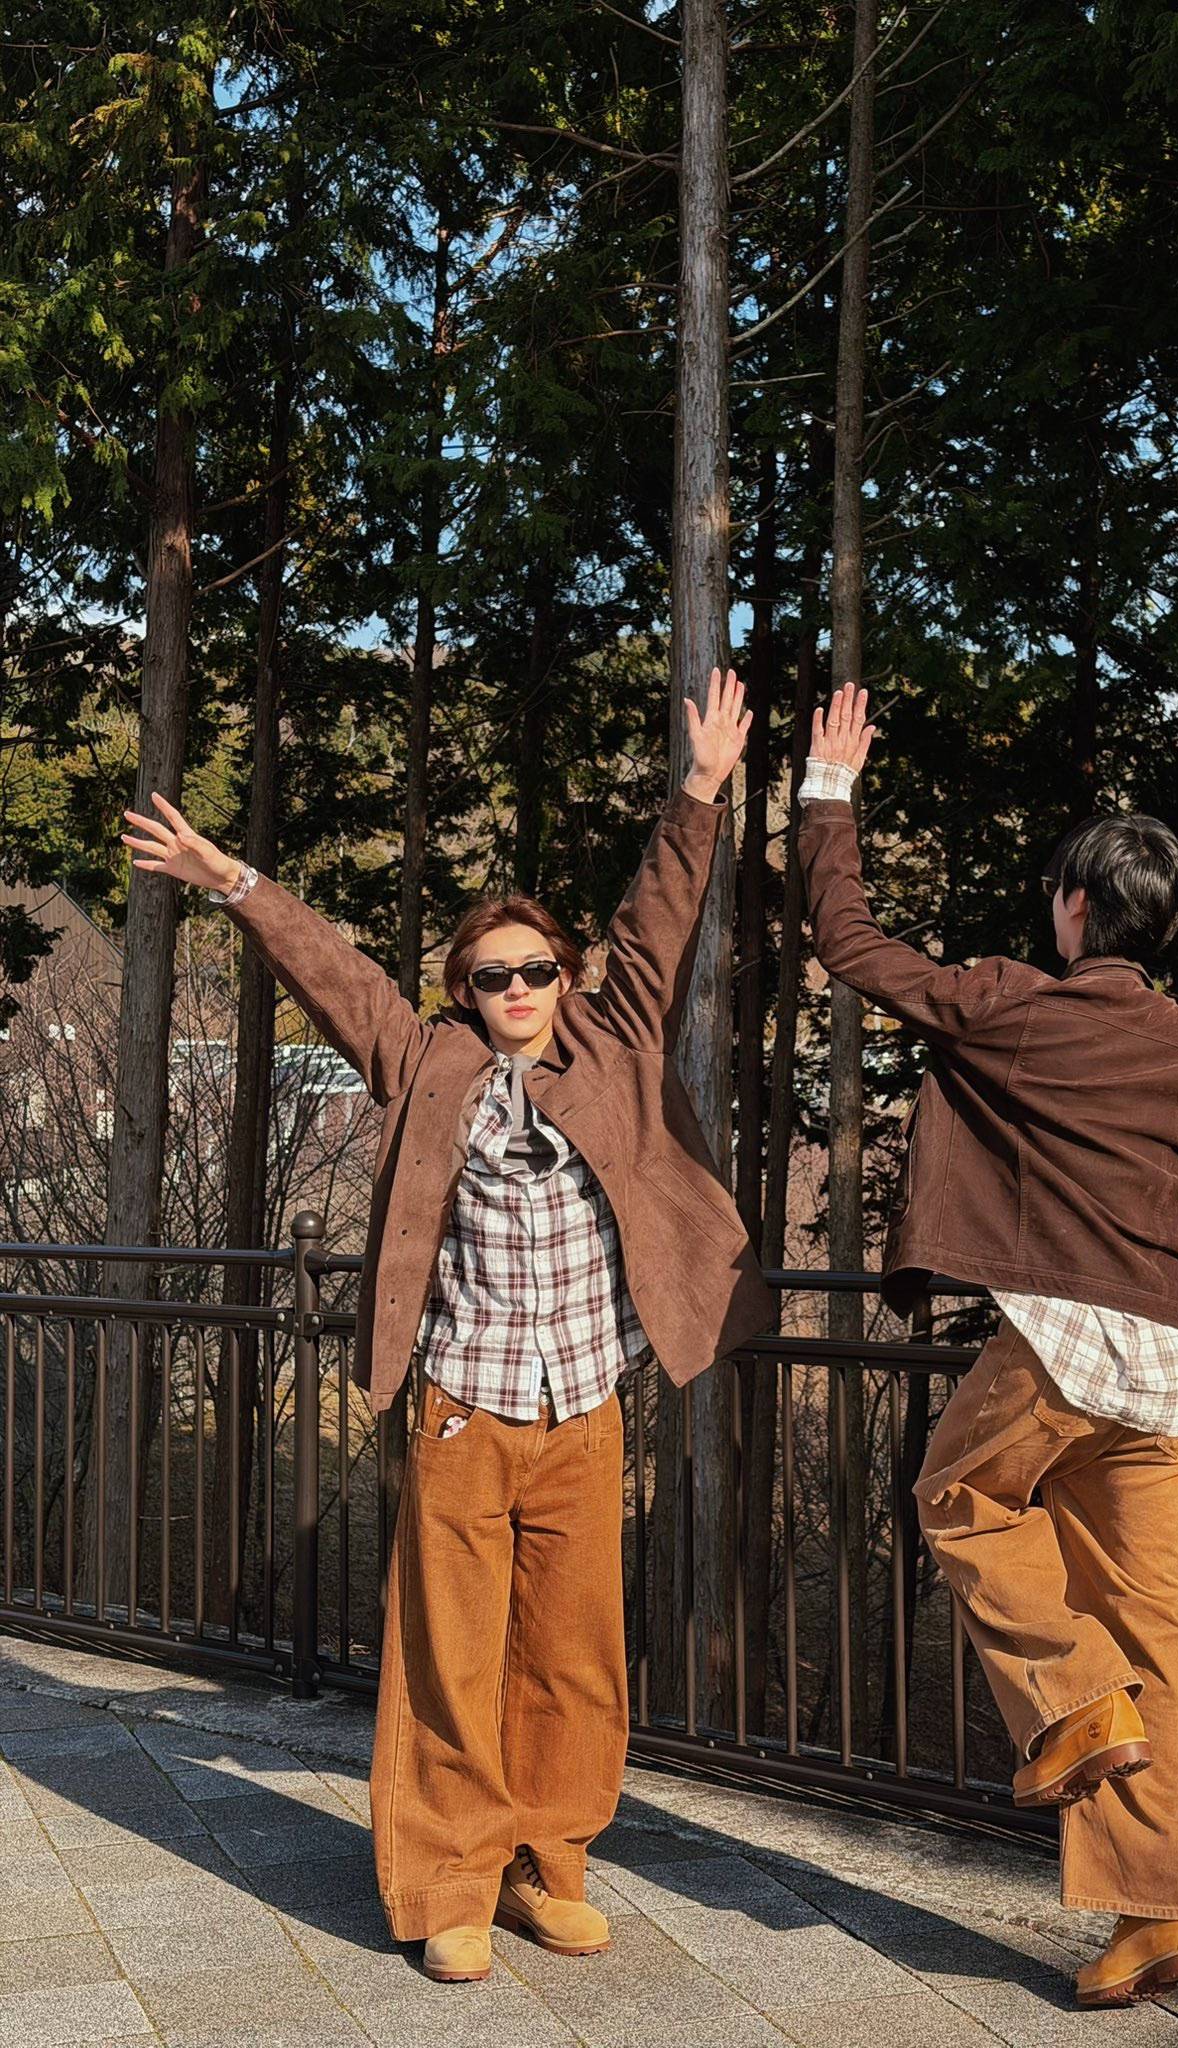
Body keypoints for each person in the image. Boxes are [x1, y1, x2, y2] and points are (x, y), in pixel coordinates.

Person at [121, 668, 772, 1984]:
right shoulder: (429, 1064)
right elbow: (336, 976)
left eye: (536, 970)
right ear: (466, 990)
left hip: (584, 1411)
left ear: (565, 978)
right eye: (493, 975)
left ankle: (548, 1865)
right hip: (463, 1409)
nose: (518, 987)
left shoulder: (614, 1045)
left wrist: (701, 793)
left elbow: (659, 923)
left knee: (575, 1659)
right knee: (449, 1660)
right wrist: (231, 881)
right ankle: (450, 1885)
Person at [797, 683, 1178, 2008]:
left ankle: (1077, 1705)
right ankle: (1164, 1915)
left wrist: (829, 793)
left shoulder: (1013, 1003)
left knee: (957, 1497)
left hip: (1068, 1343)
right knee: (1155, 1627)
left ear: (1075, 907)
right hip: (1177, 1370)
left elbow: (847, 942)